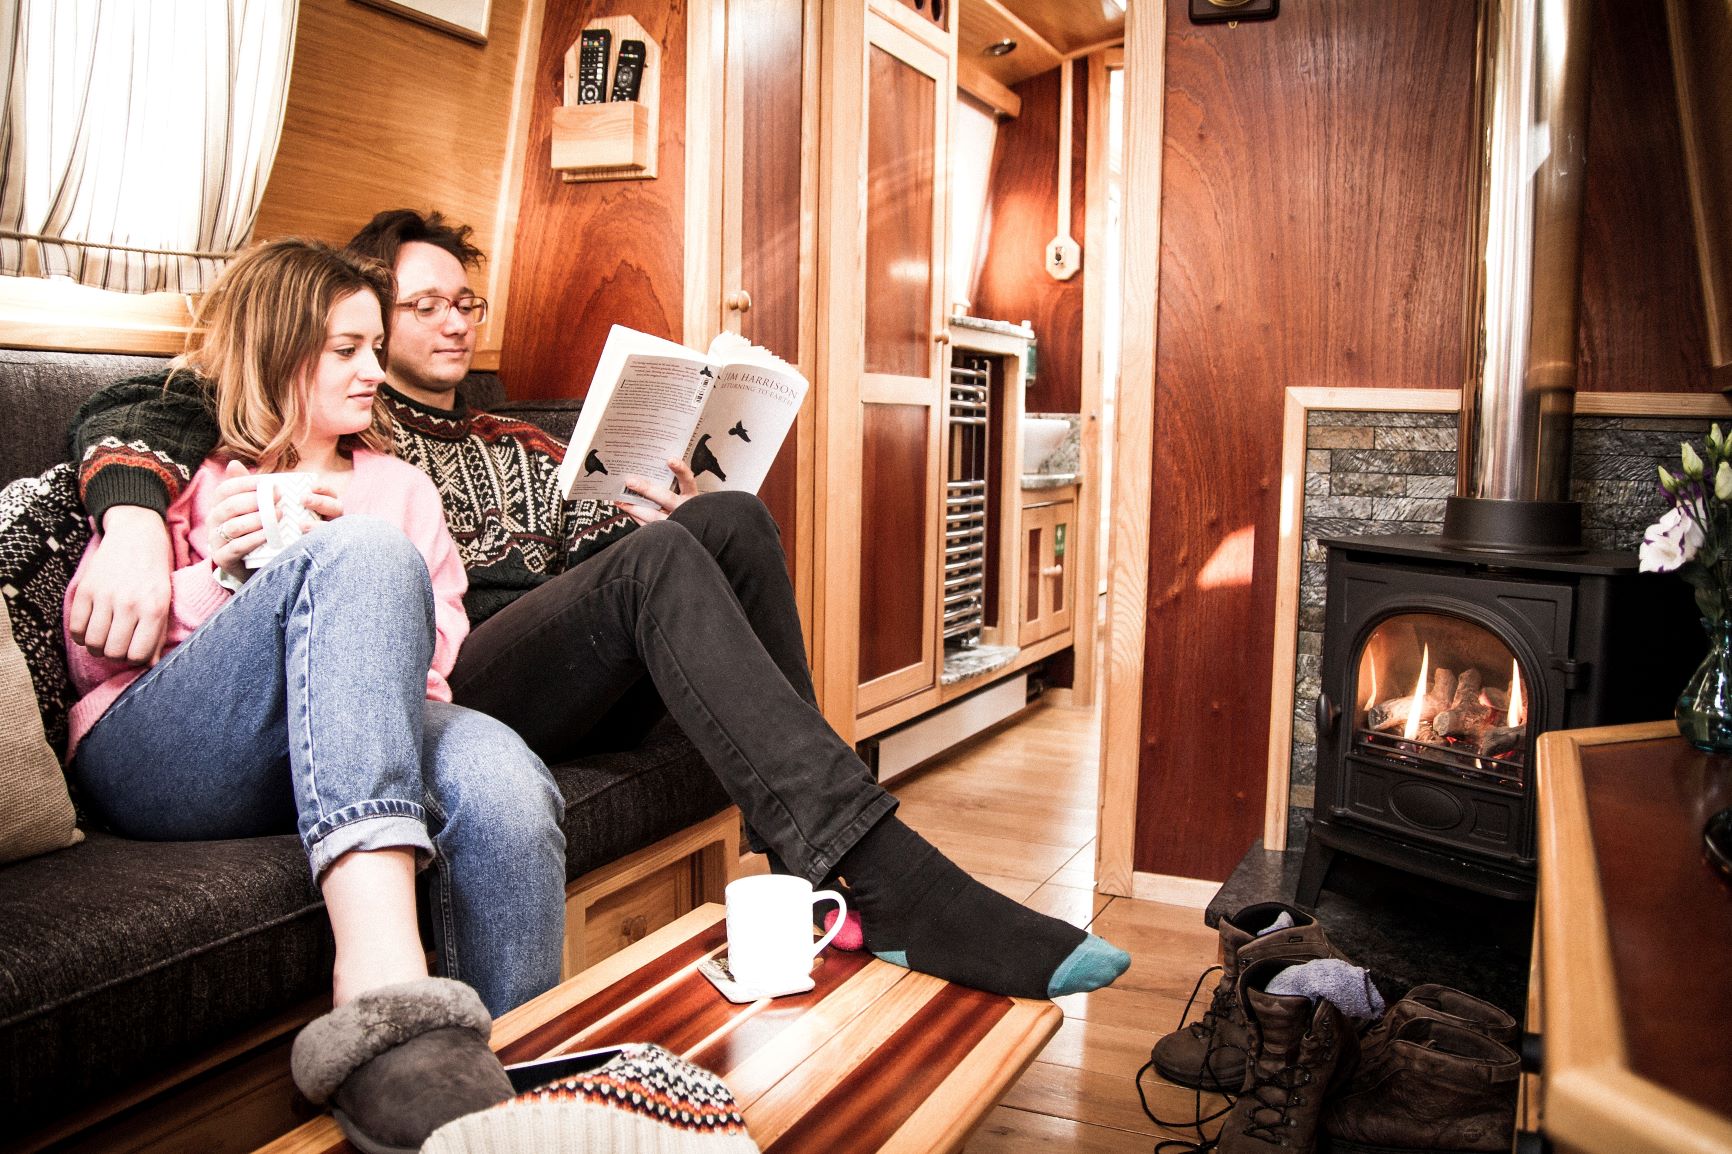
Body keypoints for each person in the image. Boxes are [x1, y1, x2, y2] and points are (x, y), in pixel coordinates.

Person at [66, 210, 1131, 1013]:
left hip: (525, 647)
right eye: (417, 306)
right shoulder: (279, 437)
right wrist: (150, 529)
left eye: (464, 303)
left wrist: (658, 513)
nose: (447, 320)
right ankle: (874, 872)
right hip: (460, 672)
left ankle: (817, 856)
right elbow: (145, 406)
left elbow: (560, 574)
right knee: (651, 565)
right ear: (360, 322)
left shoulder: (508, 438)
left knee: (724, 523)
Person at [63, 238, 552, 1148]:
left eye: (376, 345)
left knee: (503, 772)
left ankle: (498, 1089)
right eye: (347, 349)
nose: (375, 370)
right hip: (163, 757)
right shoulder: (188, 475)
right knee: (360, 553)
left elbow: (439, 650)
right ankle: (383, 995)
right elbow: (97, 666)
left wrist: (352, 609)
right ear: (282, 349)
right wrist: (226, 576)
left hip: (328, 749)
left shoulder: (399, 486)